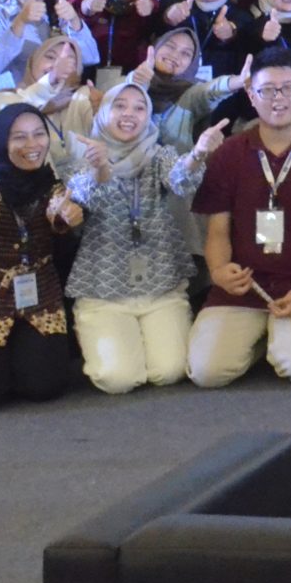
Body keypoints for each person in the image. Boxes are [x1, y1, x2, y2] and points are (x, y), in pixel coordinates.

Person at [188, 48, 291, 387]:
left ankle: (287, 339)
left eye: (290, 88)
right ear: (252, 96)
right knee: (207, 372)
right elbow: (217, 230)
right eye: (267, 90)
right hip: (245, 286)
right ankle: (263, 341)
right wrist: (219, 271)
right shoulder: (229, 153)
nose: (279, 98)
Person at [64, 80, 223, 393]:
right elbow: (89, 198)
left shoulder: (159, 154)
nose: (130, 114)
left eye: (139, 108)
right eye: (120, 106)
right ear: (103, 113)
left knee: (171, 371)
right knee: (118, 379)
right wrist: (101, 169)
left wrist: (198, 153)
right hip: (104, 292)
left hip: (160, 286)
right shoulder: (85, 156)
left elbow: (181, 181)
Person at [0, 104, 84, 410]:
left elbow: (57, 213)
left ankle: (12, 361)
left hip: (39, 297)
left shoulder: (53, 187)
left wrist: (66, 218)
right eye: (19, 137)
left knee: (44, 387)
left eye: (39, 134)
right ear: (0, 143)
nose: (32, 144)